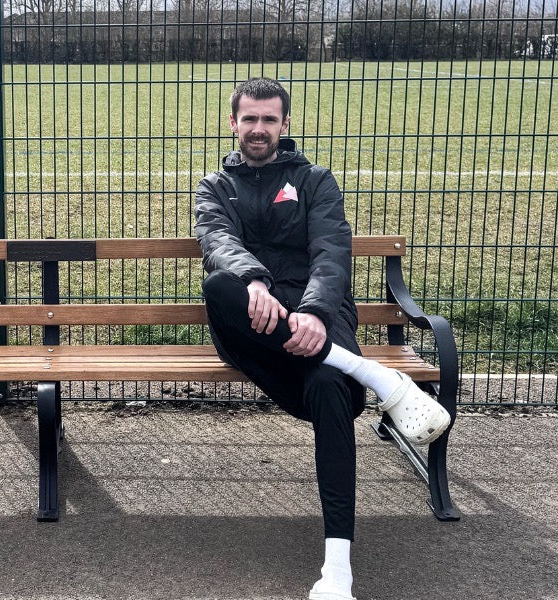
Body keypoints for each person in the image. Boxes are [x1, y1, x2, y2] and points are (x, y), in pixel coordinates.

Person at [194, 78, 450, 600]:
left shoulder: (315, 180)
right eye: (250, 119)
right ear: (233, 124)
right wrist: (255, 280)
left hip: (320, 317)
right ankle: (377, 377)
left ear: (285, 125)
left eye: (269, 119)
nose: (259, 129)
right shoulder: (215, 185)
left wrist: (311, 312)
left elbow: (332, 252)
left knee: (333, 390)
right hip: (252, 328)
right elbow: (217, 240)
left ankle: (338, 570)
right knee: (220, 284)